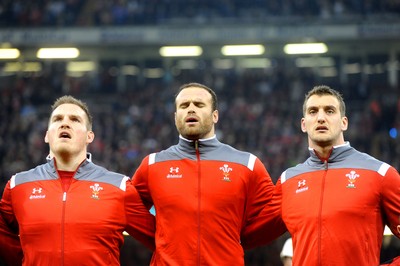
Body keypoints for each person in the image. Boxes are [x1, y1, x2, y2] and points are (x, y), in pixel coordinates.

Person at [132, 82, 285, 265]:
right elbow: (130, 211)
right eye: (184, 105)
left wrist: (237, 240)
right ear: (175, 117)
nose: (190, 109)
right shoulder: (152, 165)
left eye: (199, 104)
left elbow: (273, 215)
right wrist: (163, 239)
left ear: (215, 116)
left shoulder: (248, 165)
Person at [245, 85, 400, 265]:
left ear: (344, 122)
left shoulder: (380, 173)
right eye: (313, 111)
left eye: (329, 111)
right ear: (304, 124)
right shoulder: (289, 181)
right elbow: (247, 235)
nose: (320, 118)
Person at [0, 95, 155, 265]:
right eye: (57, 119)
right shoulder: (18, 186)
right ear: (46, 135)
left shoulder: (119, 187)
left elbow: (164, 241)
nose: (65, 123)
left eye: (75, 120)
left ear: (90, 136)